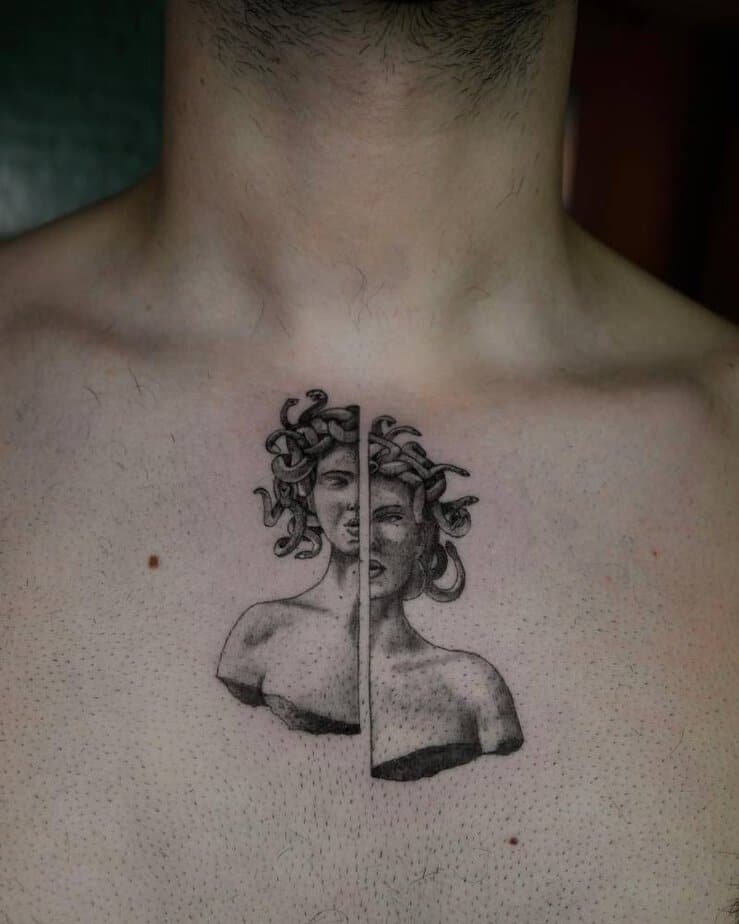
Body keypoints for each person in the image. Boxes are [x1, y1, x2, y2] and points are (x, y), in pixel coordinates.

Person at [1, 1, 738, 922]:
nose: (362, 521)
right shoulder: (261, 636)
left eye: (389, 509)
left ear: (429, 530)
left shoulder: (473, 687)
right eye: (341, 492)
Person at [368, 414, 524, 780]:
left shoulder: (473, 684)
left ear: (422, 538)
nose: (368, 542)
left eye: (390, 518)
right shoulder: (267, 648)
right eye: (355, 521)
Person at [217, 390, 361, 734]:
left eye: (376, 483)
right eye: (338, 481)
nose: (357, 500)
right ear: (307, 493)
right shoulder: (261, 629)